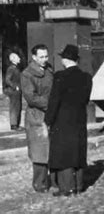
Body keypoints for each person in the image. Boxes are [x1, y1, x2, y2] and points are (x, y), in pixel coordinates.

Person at [45, 44, 92, 197]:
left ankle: (66, 188)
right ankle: (78, 186)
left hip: (62, 120)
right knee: (78, 151)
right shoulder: (86, 77)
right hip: (79, 119)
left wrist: (48, 120)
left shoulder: (60, 76)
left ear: (65, 59)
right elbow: (85, 99)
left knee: (63, 153)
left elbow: (54, 101)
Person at [21, 44, 54, 193]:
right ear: (34, 57)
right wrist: (51, 105)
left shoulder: (49, 70)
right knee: (39, 151)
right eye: (41, 57)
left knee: (52, 149)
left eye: (46, 56)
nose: (45, 59)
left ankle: (54, 181)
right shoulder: (27, 74)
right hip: (36, 116)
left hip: (51, 115)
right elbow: (31, 98)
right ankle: (39, 183)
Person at [5, 52, 23, 131]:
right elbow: (7, 80)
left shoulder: (15, 68)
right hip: (14, 91)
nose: (19, 59)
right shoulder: (11, 68)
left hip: (17, 91)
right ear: (13, 59)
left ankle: (16, 124)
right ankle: (14, 125)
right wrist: (15, 87)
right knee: (14, 107)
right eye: (18, 57)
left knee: (18, 107)